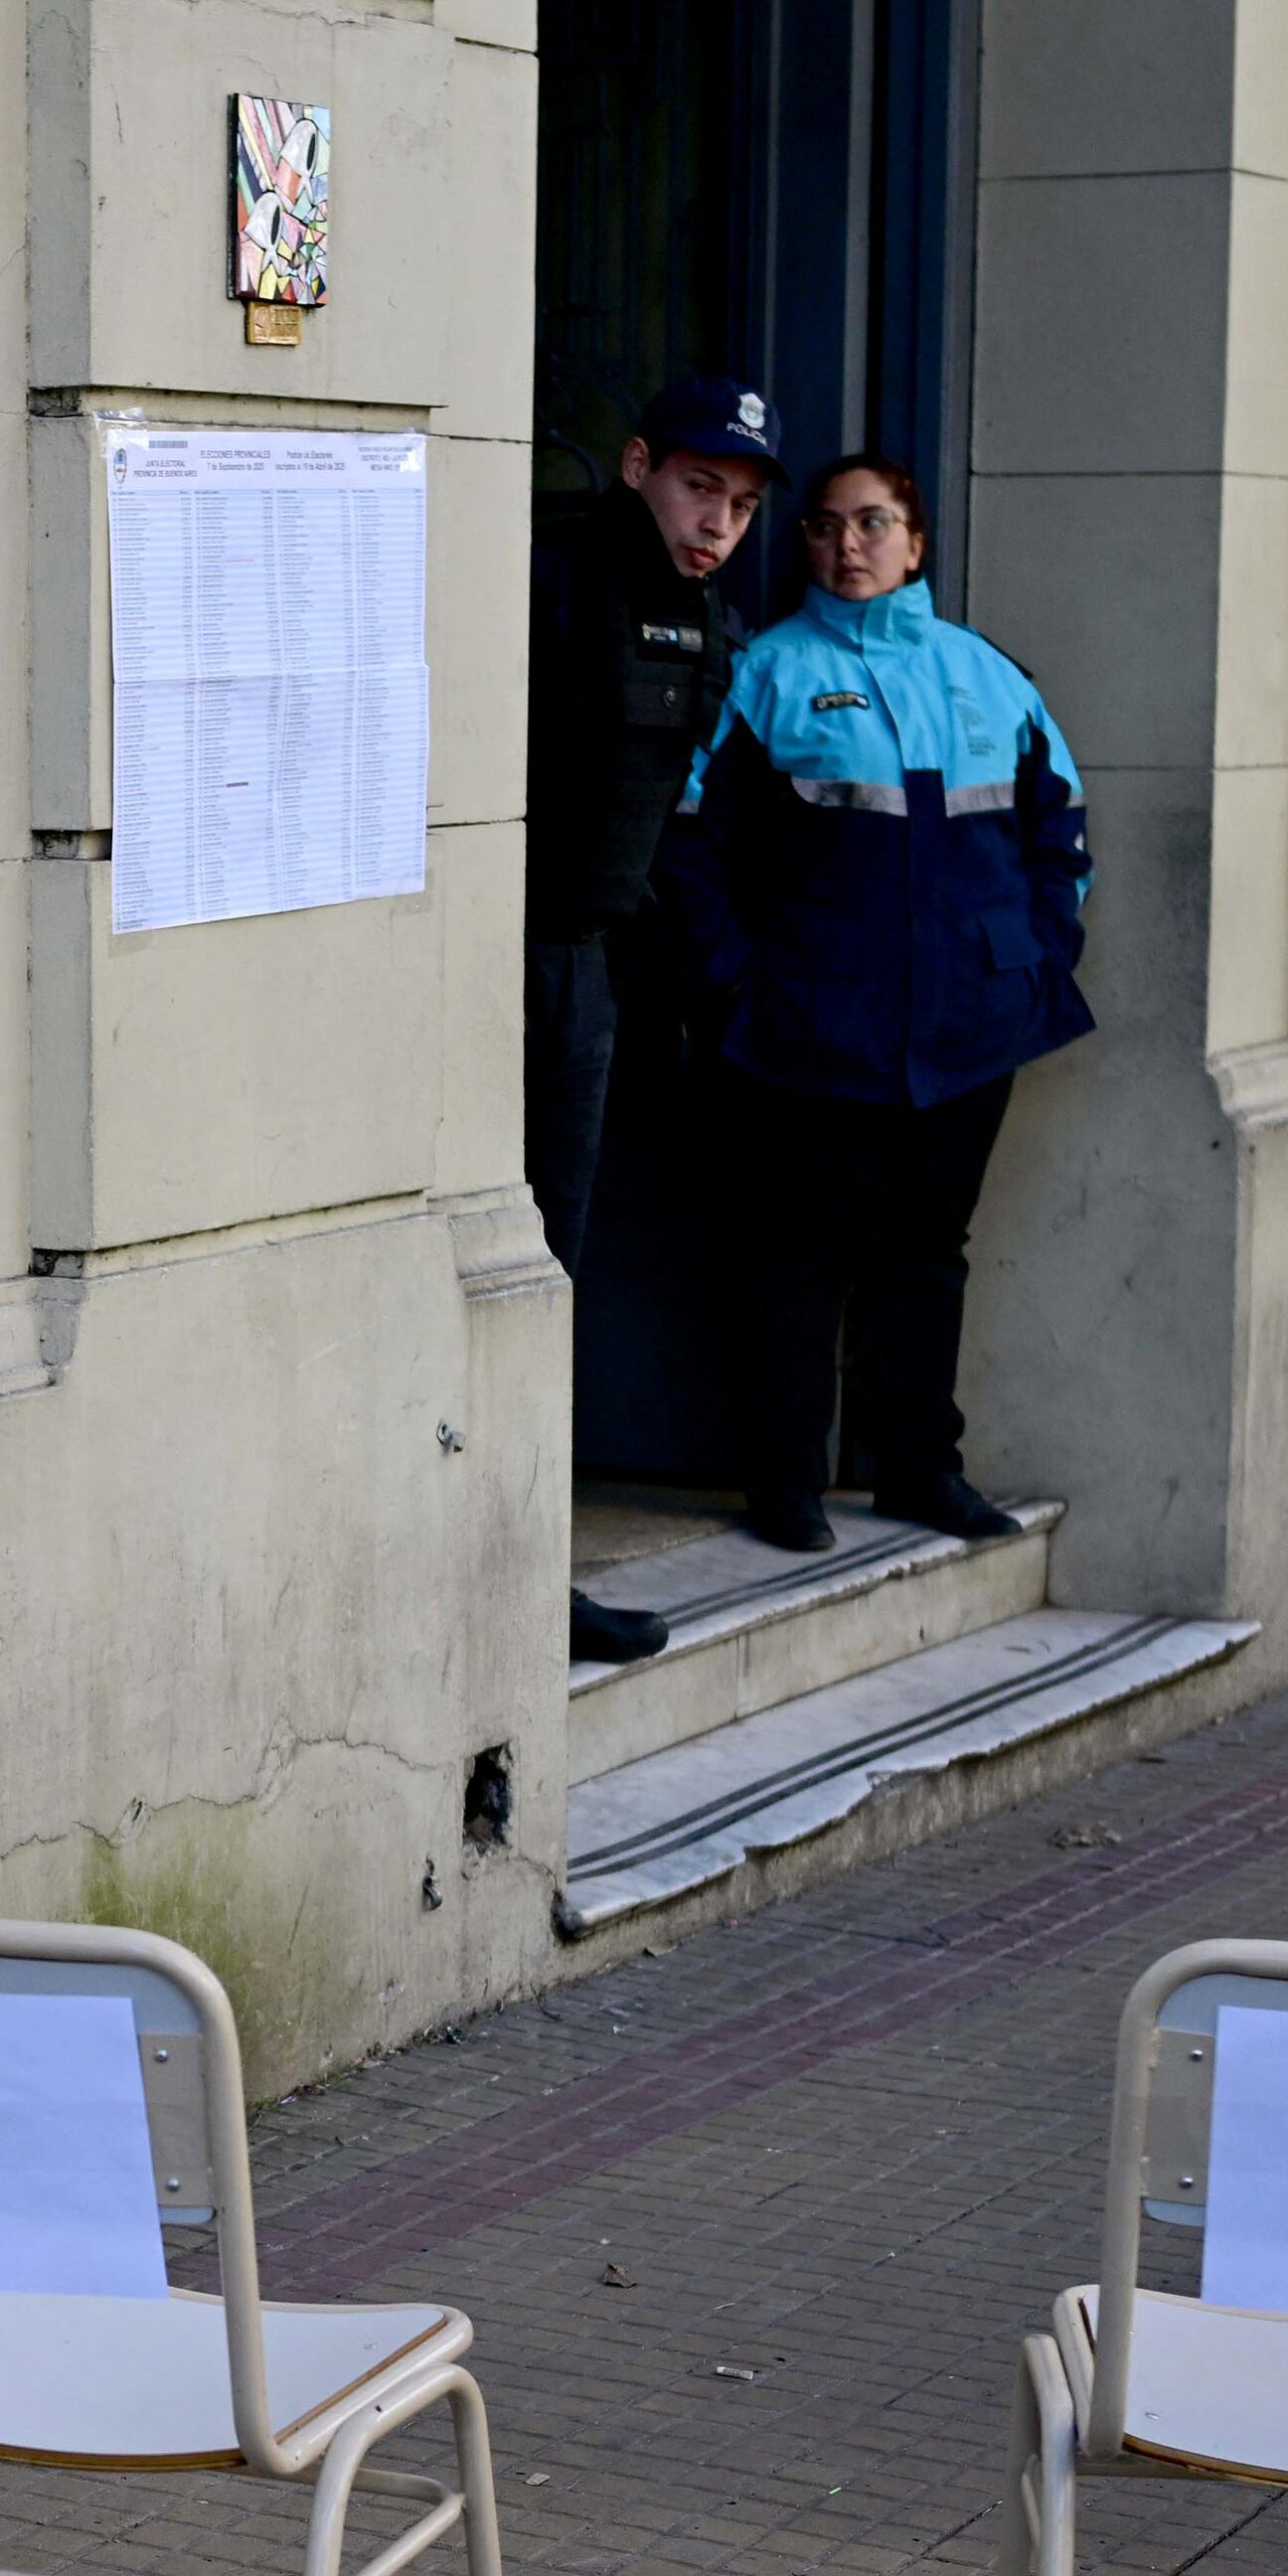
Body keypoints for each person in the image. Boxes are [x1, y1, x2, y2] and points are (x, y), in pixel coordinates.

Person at [675, 450, 1089, 1552]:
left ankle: (918, 1471)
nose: (843, 545)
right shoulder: (766, 672)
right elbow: (694, 846)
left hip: (968, 1025)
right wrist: (732, 981)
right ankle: (784, 1483)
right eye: (821, 527)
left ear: (913, 541)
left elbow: (1059, 834)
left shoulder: (989, 676)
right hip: (811, 1026)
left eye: (868, 524)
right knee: (795, 1256)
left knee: (926, 1250)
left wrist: (1037, 960)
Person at [528, 376, 777, 1663]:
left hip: (596, 966)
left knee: (554, 1274)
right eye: (697, 488)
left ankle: (528, 1575)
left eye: (738, 503)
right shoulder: (557, 583)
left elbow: (672, 818)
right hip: (513, 957)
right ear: (636, 468)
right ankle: (509, 1578)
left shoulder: (707, 623)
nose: (716, 520)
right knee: (514, 1278)